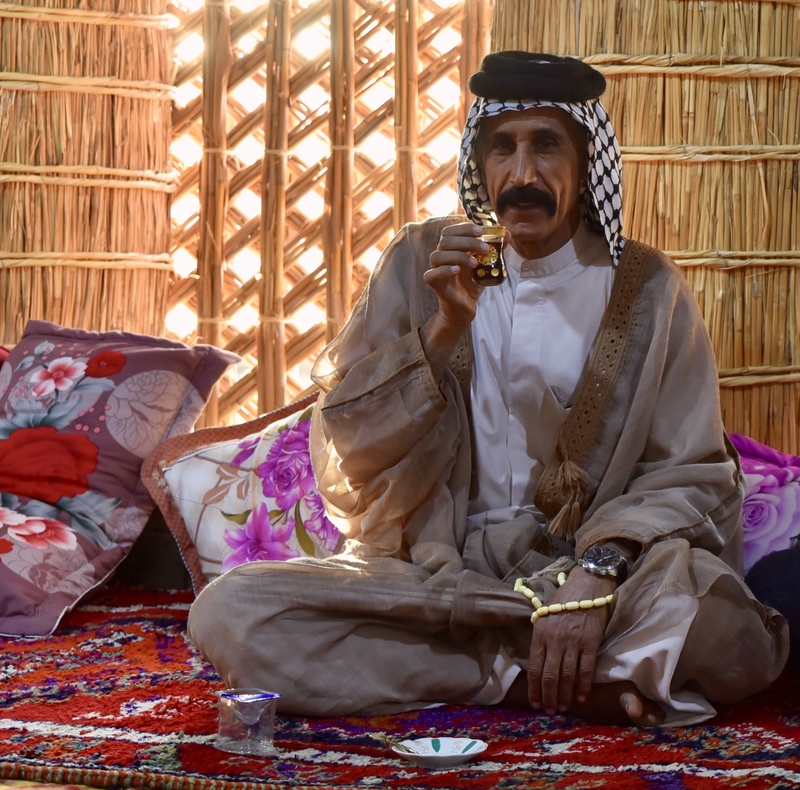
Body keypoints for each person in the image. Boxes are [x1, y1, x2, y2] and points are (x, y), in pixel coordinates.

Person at [188, 51, 788, 726]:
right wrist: (443, 330)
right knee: (232, 610)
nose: (523, 174)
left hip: (587, 575)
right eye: (502, 147)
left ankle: (499, 662)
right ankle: (555, 680)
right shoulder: (421, 263)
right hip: (440, 577)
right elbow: (352, 445)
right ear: (479, 161)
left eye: (547, 147)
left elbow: (690, 471)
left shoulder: (647, 290)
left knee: (727, 630)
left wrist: (596, 571)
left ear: (588, 161)